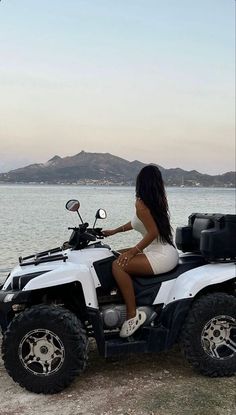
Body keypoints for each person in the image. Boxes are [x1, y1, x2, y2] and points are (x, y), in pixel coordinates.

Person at [102, 165, 179, 338]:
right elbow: (136, 222)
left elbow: (153, 232)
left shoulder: (142, 203)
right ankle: (119, 301)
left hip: (162, 255)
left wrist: (132, 252)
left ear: (141, 182)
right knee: (111, 255)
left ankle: (131, 315)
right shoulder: (153, 200)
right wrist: (114, 231)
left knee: (118, 265)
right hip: (160, 250)